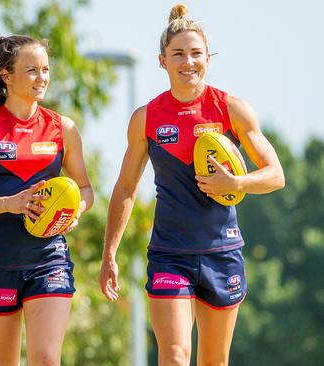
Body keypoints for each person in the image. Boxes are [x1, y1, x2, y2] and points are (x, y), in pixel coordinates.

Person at [98, 4, 285, 366]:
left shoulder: (231, 108)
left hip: (222, 252)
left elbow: (276, 174)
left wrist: (237, 182)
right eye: (178, 54)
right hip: (170, 253)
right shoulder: (146, 118)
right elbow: (124, 189)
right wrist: (110, 254)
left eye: (196, 54)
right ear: (162, 61)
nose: (188, 62)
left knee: (213, 361)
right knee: (175, 355)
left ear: (208, 59)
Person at [0, 35, 94, 365]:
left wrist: (76, 210)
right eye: (32, 70)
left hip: (48, 260)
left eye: (45, 69)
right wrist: (9, 203)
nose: (42, 78)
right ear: (6, 76)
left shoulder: (63, 129)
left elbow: (85, 189)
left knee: (45, 359)